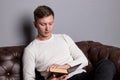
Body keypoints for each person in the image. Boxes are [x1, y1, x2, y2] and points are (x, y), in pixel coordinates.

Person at [23, 5, 116, 80]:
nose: (47, 28)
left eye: (50, 23)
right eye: (43, 24)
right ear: (35, 24)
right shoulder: (30, 50)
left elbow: (83, 60)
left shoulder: (64, 37)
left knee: (106, 64)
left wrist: (64, 67)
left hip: (82, 76)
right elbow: (28, 78)